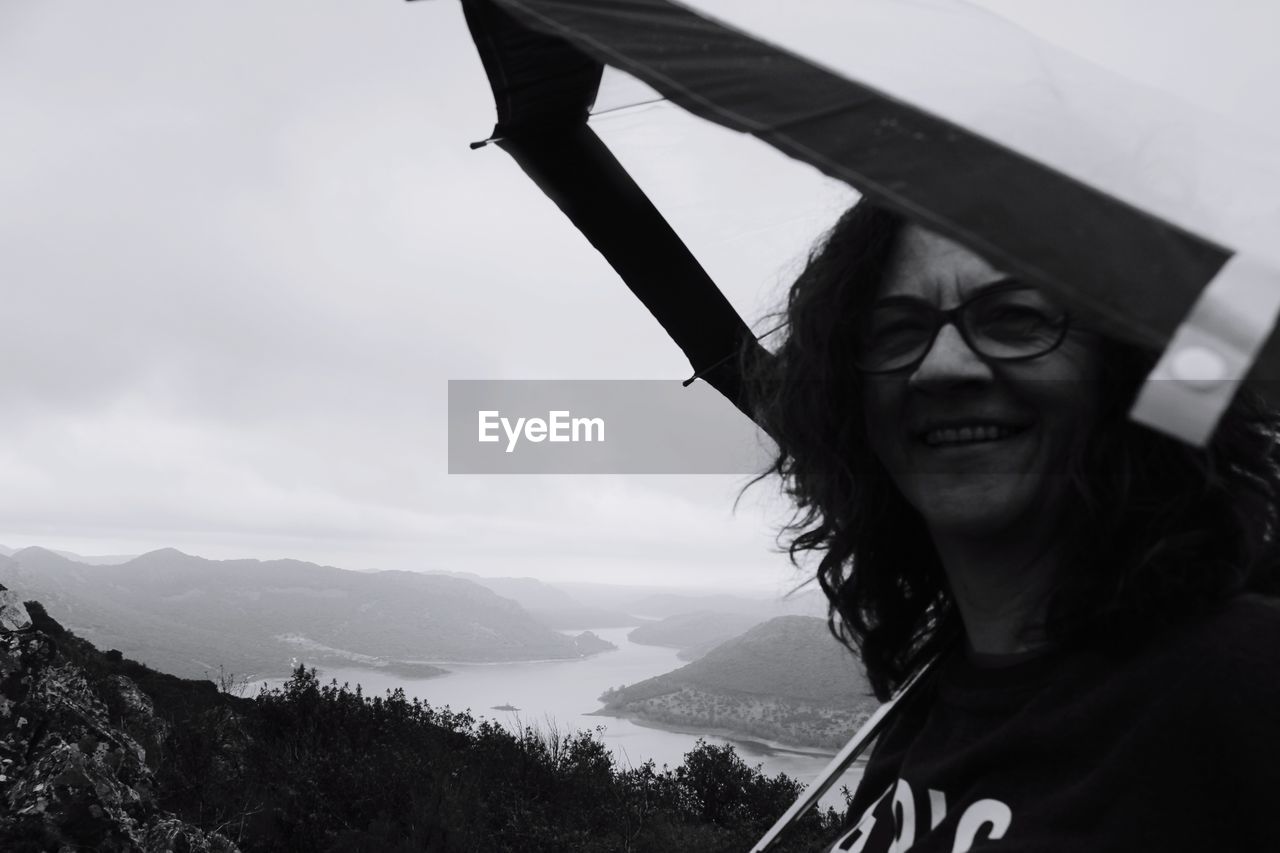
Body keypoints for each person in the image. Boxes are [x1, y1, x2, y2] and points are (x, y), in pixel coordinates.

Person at [751, 200, 1280, 852]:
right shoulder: (934, 703)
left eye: (1015, 318)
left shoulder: (1241, 680)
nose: (941, 366)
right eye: (895, 331)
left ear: (1122, 369)